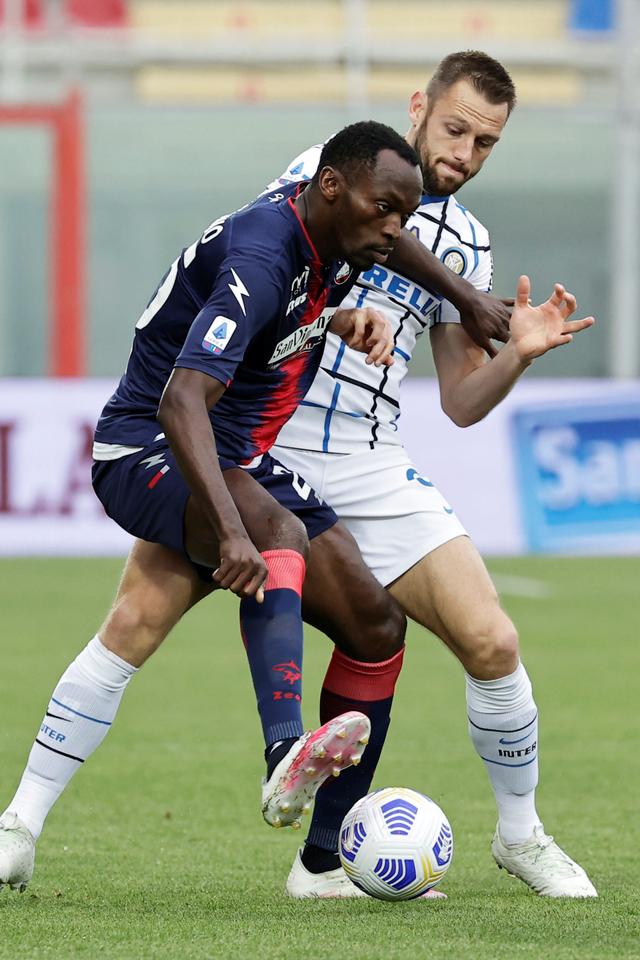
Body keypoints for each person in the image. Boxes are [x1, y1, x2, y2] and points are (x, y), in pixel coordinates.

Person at [0, 122, 433, 898]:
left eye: (405, 215)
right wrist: (234, 530)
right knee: (274, 533)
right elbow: (181, 397)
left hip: (232, 458)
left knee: (374, 624)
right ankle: (282, 759)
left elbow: (290, 316)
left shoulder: (331, 241)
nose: (394, 231)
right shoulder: (265, 254)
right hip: (144, 448)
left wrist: (339, 318)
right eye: (384, 210)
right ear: (332, 187)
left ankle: (323, 864)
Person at [271, 51, 599, 898]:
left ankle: (517, 836)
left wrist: (518, 355)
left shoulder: (475, 243)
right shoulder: (328, 171)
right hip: (264, 442)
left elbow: (460, 400)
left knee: (493, 641)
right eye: (454, 128)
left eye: (485, 141)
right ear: (419, 107)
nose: (464, 151)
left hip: (371, 459)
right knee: (138, 620)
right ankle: (25, 820)